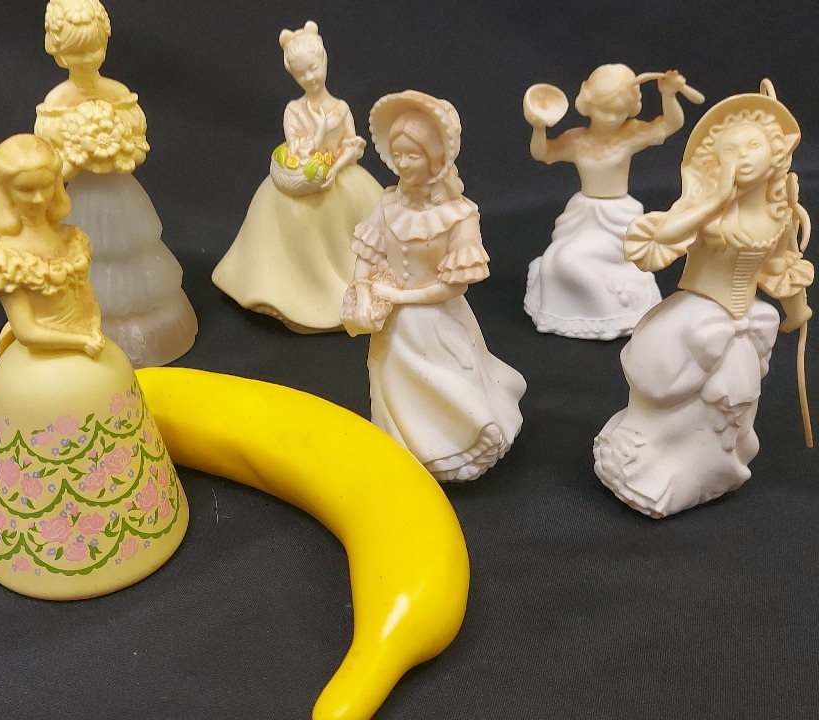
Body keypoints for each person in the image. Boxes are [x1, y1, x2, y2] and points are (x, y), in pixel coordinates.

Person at [0, 134, 187, 600]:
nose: (37, 199)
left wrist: (92, 329)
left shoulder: (72, 240)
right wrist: (79, 340)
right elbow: (27, 330)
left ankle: (143, 523)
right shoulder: (5, 260)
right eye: (25, 189)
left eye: (45, 186)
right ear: (5, 193)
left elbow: (88, 299)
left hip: (91, 345)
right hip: (55, 354)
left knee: (108, 390)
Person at [594, 81, 812, 518]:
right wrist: (713, 199)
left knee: (730, 410)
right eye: (732, 149)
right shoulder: (708, 212)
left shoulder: (779, 215)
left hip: (744, 323)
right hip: (693, 316)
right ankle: (641, 462)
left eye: (753, 146)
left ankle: (707, 472)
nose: (743, 157)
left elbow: (783, 265)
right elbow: (650, 247)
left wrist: (795, 310)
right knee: (663, 400)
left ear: (776, 154)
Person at [342, 91, 526, 482]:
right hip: (390, 321)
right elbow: (369, 253)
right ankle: (402, 444)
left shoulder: (460, 216)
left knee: (441, 384)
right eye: (398, 154)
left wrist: (400, 296)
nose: (403, 164)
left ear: (435, 158)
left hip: (435, 321)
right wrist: (362, 288)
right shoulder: (387, 204)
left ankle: (454, 444)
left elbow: (452, 287)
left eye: (413, 155)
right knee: (390, 382)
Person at [35, 0, 196, 367]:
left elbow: (138, 148)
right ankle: (90, 327)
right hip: (83, 202)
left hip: (120, 195)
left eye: (93, 48)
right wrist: (78, 159)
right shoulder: (56, 103)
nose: (86, 58)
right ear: (57, 52)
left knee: (131, 248)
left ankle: (152, 336)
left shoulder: (118, 94)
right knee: (86, 254)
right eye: (76, 52)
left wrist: (116, 154)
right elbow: (50, 165)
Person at [212, 21, 383, 333]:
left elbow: (352, 145)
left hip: (340, 178)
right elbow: (298, 150)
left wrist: (335, 168)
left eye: (314, 68)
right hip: (304, 179)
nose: (310, 77)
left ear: (324, 61)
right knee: (289, 219)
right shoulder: (294, 110)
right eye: (302, 74)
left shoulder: (341, 107)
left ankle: (358, 288)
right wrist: (319, 133)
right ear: (293, 76)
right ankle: (297, 295)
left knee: (362, 224)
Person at [524, 65, 698, 340]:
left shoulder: (630, 134)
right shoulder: (576, 140)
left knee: (566, 259)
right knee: (551, 262)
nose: (614, 118)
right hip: (583, 216)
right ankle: (574, 314)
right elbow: (543, 153)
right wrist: (538, 126)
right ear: (589, 104)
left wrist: (668, 95)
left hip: (617, 219)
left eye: (620, 112)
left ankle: (612, 312)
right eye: (606, 110)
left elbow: (670, 124)